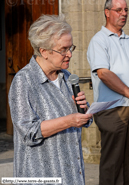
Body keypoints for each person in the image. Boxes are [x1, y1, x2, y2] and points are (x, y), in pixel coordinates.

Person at [9, 14, 93, 185]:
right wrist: (70, 121)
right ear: (44, 51)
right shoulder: (24, 81)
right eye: (63, 49)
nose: (69, 54)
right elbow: (28, 133)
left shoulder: (67, 77)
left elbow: (81, 120)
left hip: (72, 174)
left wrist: (85, 111)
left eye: (71, 48)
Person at [87, 0, 129, 185]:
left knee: (127, 163)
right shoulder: (99, 40)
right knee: (112, 165)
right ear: (107, 12)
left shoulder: (127, 40)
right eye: (118, 10)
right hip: (113, 110)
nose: (124, 14)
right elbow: (104, 73)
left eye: (126, 10)